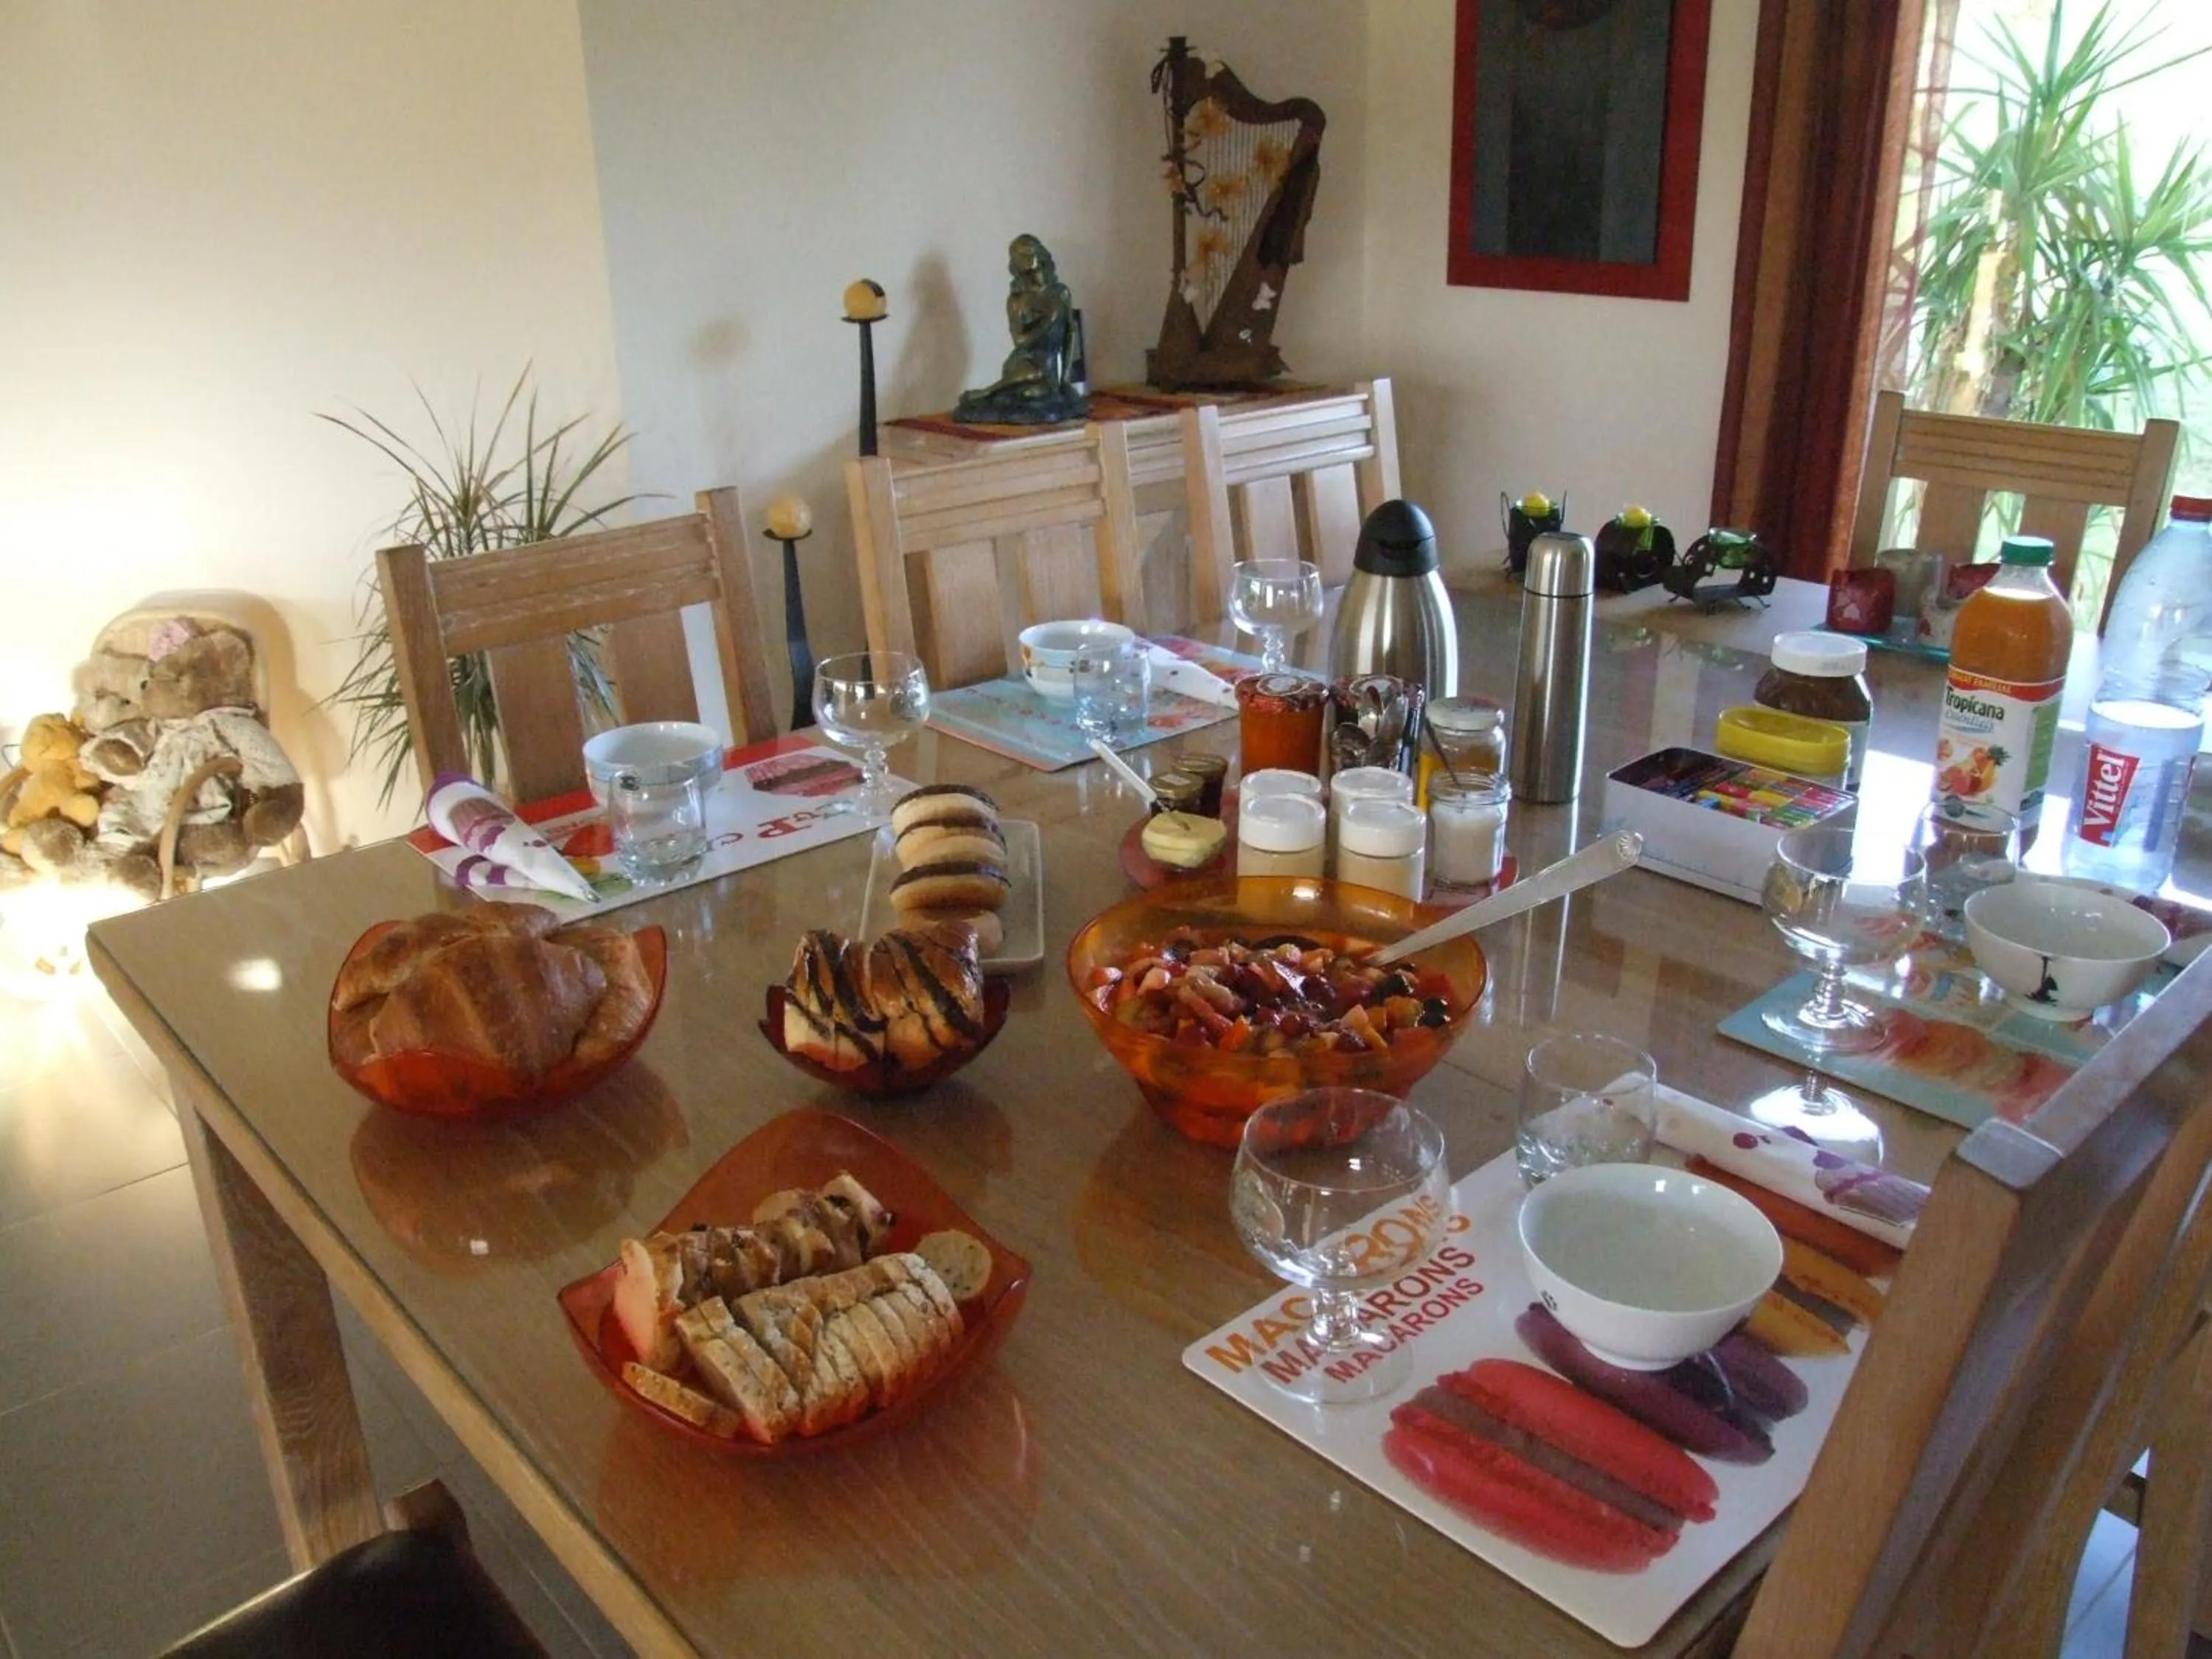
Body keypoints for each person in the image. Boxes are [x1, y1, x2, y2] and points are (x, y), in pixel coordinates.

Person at [953, 235, 1088, 424]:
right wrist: (1047, 322)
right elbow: (1020, 341)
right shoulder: (1017, 301)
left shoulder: (1060, 293)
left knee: (1041, 390)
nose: (1028, 257)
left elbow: (1070, 334)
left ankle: (1031, 389)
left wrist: (1064, 379)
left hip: (1050, 363)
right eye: (1021, 254)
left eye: (1030, 251)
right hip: (1026, 361)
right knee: (1031, 378)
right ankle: (987, 393)